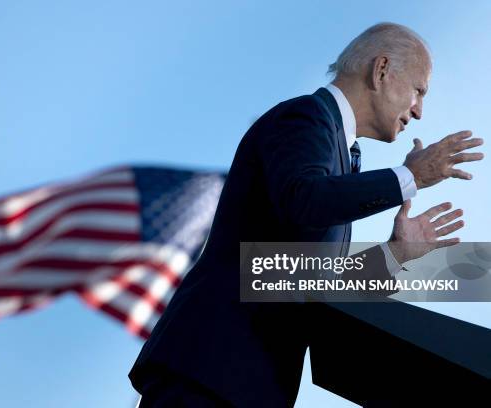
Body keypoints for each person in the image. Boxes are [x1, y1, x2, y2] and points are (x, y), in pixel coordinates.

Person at [129, 22, 484, 407]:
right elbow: (305, 199)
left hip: (252, 387)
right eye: (419, 90)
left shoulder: (342, 162)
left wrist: (396, 254)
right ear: (381, 69)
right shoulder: (304, 117)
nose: (418, 111)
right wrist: (411, 175)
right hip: (209, 372)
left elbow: (316, 286)